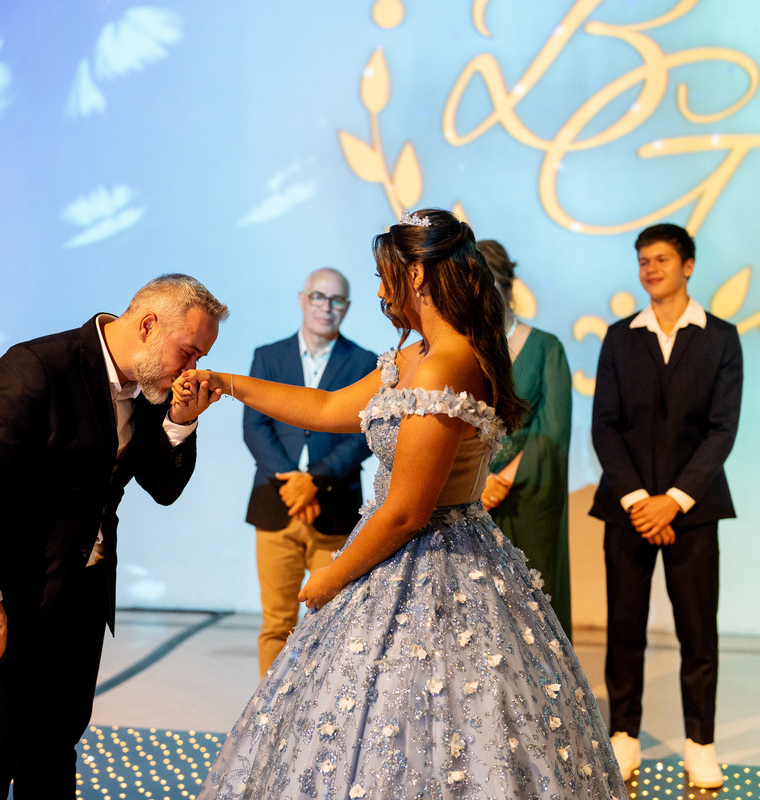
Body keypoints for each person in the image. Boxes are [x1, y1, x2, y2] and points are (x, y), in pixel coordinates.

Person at [180, 209, 627, 800]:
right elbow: (325, 408)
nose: (379, 291)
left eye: (383, 275)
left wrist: (332, 576)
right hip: (392, 554)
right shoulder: (415, 357)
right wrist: (228, 383)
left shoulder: (448, 363)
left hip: (435, 563)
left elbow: (407, 511)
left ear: (416, 274)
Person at [0, 274, 229, 799]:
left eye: (199, 357)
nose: (191, 370)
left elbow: (163, 487)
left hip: (82, 593)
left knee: (54, 748)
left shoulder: (151, 387)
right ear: (148, 325)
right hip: (7, 590)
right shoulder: (38, 366)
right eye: (189, 351)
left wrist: (180, 420)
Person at [590, 223, 742, 788]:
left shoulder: (720, 337)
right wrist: (640, 502)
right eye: (643, 261)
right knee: (624, 629)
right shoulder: (620, 337)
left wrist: (672, 503)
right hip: (626, 509)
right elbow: (605, 427)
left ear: (688, 266)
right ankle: (623, 736)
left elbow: (722, 430)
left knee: (698, 633)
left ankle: (700, 743)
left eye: (661, 259)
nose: (650, 269)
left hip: (693, 511)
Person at [243, 268, 378, 676]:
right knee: (276, 623)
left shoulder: (365, 362)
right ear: (302, 300)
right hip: (275, 505)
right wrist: (292, 483)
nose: (326, 307)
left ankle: (320, 710)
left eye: (336, 300)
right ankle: (268, 710)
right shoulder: (269, 357)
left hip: (335, 509)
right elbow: (255, 427)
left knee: (332, 624)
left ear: (347, 308)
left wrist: (314, 481)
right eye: (319, 296)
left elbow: (363, 435)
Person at [477, 239, 574, 635]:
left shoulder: (546, 347)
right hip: (469, 495)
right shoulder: (461, 350)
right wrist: (477, 482)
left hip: (528, 495)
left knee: (534, 613)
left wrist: (502, 480)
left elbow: (553, 428)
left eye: (487, 285)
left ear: (506, 285)